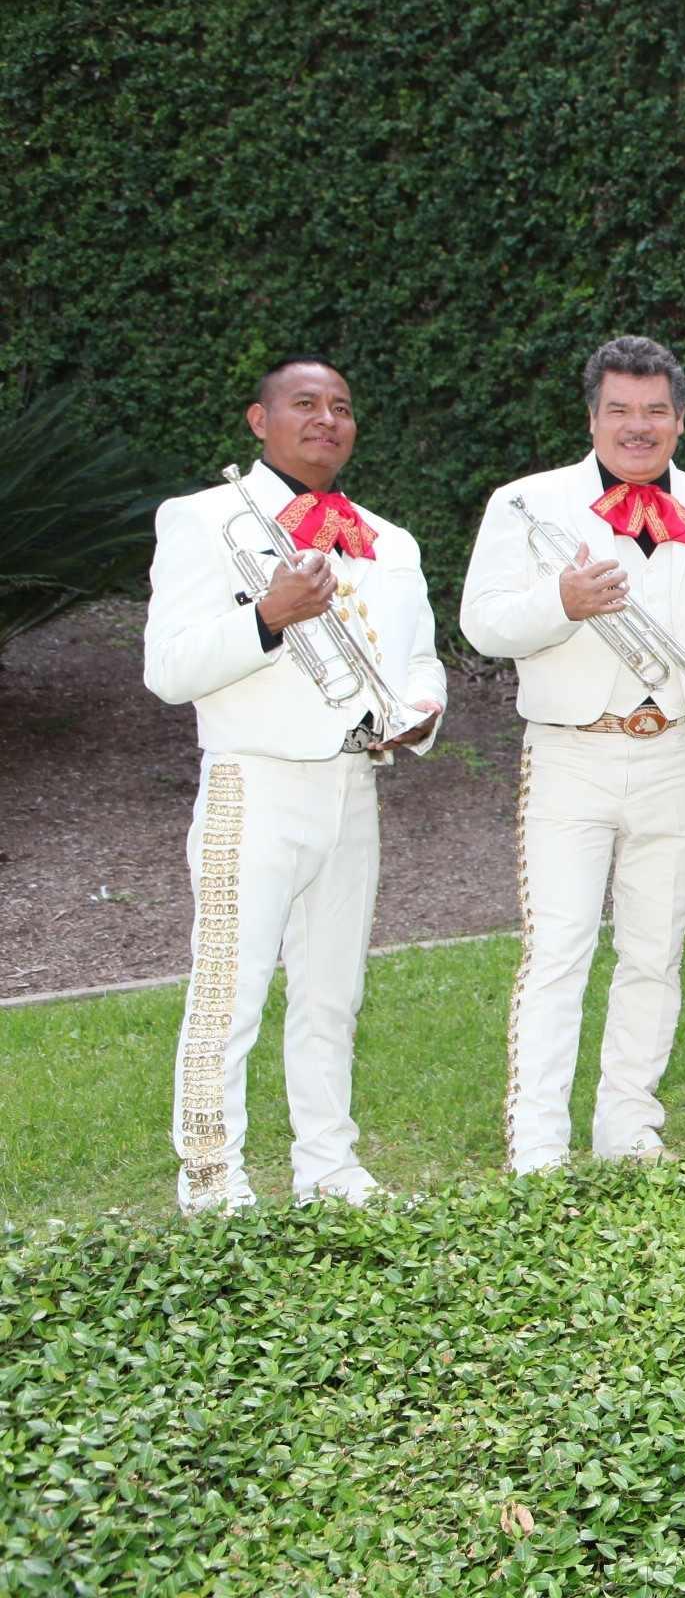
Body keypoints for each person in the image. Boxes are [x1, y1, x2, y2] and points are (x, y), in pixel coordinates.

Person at [461, 335, 685, 1171]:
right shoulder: (526, 502)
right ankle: (537, 1141)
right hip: (572, 752)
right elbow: (482, 623)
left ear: (680, 418)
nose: (639, 428)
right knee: (559, 950)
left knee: (654, 951)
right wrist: (558, 602)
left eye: (655, 413)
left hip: (679, 751)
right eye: (620, 412)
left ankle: (629, 1126)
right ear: (592, 416)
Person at [142, 355, 445, 1211]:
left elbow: (420, 657)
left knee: (332, 991)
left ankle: (330, 1167)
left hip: (354, 782)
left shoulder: (390, 539)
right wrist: (267, 617)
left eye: (342, 406)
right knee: (228, 990)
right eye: (304, 404)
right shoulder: (202, 519)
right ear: (259, 420)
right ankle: (211, 1180)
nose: (326, 418)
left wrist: (422, 707)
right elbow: (167, 669)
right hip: (254, 782)